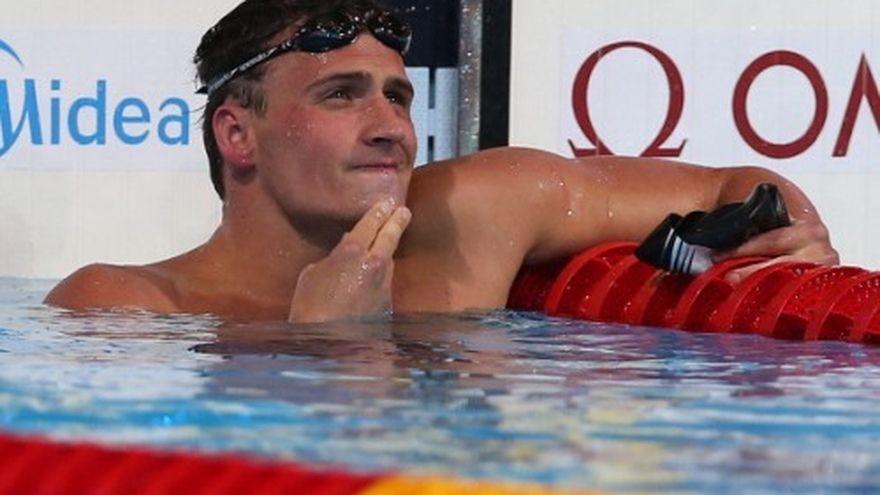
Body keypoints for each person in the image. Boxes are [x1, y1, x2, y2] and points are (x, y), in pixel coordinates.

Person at [44, 0, 838, 322]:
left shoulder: (478, 212)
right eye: (341, 95)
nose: (390, 126)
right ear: (236, 135)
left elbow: (736, 185)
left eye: (398, 96)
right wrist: (327, 347)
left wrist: (788, 227)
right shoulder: (127, 306)